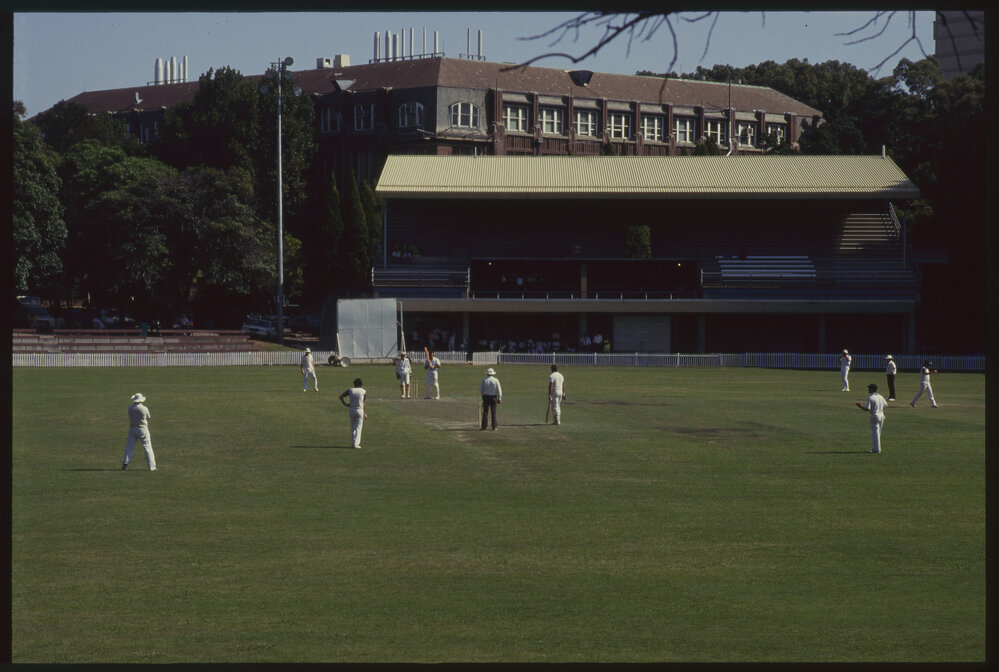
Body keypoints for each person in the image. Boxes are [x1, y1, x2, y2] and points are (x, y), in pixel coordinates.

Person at [122, 393, 156, 470]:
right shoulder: (144, 408)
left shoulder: (130, 408)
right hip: (143, 428)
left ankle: (125, 464)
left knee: (129, 447)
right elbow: (148, 418)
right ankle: (152, 467)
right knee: (147, 447)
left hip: (132, 428)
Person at [856, 383, 887, 453]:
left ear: (872, 389)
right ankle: (876, 448)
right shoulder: (880, 396)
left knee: (875, 433)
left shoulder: (871, 398)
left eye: (869, 388)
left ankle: (876, 449)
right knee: (878, 433)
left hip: (874, 416)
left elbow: (867, 409)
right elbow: (885, 405)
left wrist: (860, 406)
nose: (868, 390)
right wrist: (880, 410)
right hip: (881, 415)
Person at [339, 378, 368, 449]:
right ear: (361, 384)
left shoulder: (350, 390)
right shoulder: (363, 391)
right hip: (360, 410)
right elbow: (364, 403)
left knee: (353, 428)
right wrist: (365, 413)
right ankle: (356, 444)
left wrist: (345, 404)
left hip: (352, 410)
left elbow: (341, 396)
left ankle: (354, 443)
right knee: (358, 427)